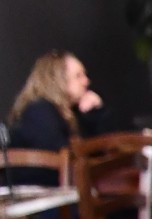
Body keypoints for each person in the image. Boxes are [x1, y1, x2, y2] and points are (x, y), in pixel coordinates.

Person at [6, 51, 108, 187]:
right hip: (42, 197)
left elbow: (103, 151)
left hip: (71, 189)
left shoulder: (74, 112)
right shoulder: (39, 111)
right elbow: (63, 157)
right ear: (57, 80)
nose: (86, 81)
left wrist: (96, 113)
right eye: (78, 76)